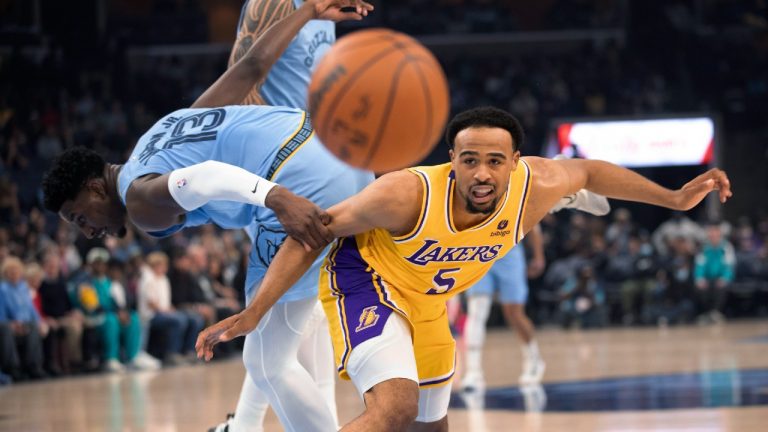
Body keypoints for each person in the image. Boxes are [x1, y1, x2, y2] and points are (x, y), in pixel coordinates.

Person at [197, 106, 732, 431]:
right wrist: (254, 312)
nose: (481, 173)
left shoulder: (537, 184)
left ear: (515, 163)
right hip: (365, 279)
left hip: (428, 302)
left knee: (431, 426)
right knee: (396, 408)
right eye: (468, 160)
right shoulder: (404, 193)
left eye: (495, 161)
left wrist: (674, 198)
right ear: (451, 159)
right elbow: (312, 230)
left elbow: (590, 170)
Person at [42, 2, 373, 431]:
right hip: (343, 149)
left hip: (301, 182)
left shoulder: (139, 201)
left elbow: (206, 177)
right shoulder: (160, 132)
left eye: (78, 217)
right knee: (274, 350)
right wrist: (308, 11)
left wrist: (276, 198)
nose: (88, 231)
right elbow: (251, 68)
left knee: (268, 362)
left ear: (94, 188)